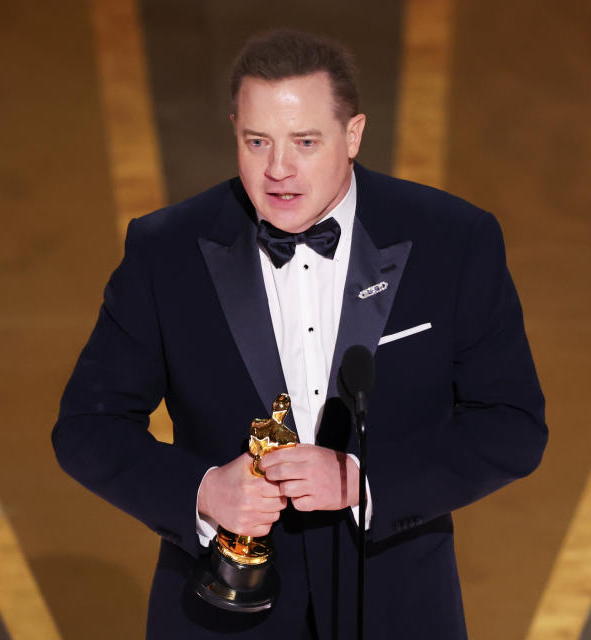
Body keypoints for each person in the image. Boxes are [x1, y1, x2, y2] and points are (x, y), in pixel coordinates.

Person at [53, 28, 547, 640]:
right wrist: (205, 491)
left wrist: (363, 483)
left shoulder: (453, 240)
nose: (277, 170)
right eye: (256, 141)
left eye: (304, 142)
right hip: (225, 612)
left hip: (396, 609)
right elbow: (86, 427)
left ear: (354, 134)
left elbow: (512, 424)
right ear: (234, 128)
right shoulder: (166, 252)